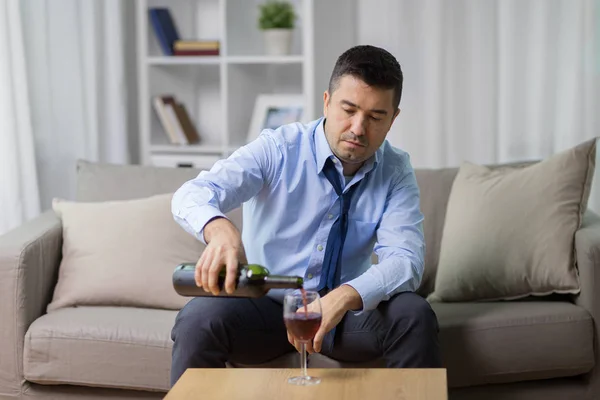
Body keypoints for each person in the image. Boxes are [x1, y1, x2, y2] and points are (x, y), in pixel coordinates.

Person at [169, 45, 441, 386]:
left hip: (344, 316)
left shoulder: (396, 170)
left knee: (413, 314)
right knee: (199, 318)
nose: (358, 128)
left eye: (375, 117)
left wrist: (344, 297)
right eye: (349, 110)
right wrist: (220, 229)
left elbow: (406, 261)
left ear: (393, 119)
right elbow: (191, 194)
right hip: (265, 309)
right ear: (327, 101)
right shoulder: (277, 148)